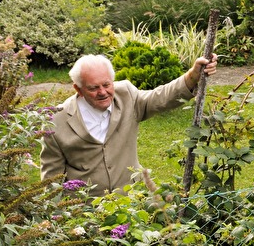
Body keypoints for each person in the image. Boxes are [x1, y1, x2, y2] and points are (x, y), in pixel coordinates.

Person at [40, 52, 217, 195]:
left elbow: (160, 97)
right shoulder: (55, 121)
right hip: (85, 211)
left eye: (106, 84)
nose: (103, 92)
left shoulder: (126, 95)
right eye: (93, 88)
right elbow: (51, 179)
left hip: (132, 200)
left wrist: (192, 76)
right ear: (78, 89)